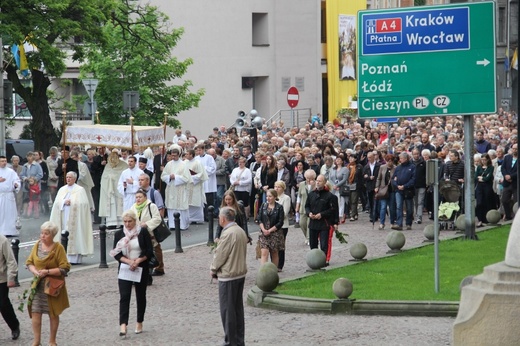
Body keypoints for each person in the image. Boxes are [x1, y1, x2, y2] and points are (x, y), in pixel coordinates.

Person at [26, 221, 71, 346]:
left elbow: (64, 268)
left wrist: (47, 271)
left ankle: (52, 340)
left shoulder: (58, 248)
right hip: (38, 285)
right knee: (35, 311)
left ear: (52, 235)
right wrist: (36, 272)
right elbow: (29, 263)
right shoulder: (37, 245)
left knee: (53, 313)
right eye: (42, 233)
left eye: (46, 234)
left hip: (52, 285)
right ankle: (37, 340)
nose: (42, 236)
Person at [110, 210, 154, 337]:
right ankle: (123, 325)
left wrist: (138, 260)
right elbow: (116, 253)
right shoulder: (119, 234)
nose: (127, 224)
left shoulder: (142, 232)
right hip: (125, 267)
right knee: (124, 296)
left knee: (140, 296)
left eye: (130, 221)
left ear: (135, 221)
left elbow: (149, 250)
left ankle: (139, 321)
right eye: (125, 222)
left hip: (141, 267)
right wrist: (128, 261)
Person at [210, 206, 248, 346]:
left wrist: (213, 269)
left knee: (228, 311)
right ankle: (238, 340)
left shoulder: (228, 234)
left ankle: (230, 341)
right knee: (237, 310)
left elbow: (221, 255)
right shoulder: (240, 231)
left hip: (229, 275)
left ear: (223, 218)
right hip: (239, 273)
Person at [49, 172, 94, 264]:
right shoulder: (62, 189)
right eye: (67, 177)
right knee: (63, 234)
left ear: (74, 179)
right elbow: (56, 203)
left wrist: (72, 202)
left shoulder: (80, 190)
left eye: (70, 177)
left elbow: (84, 204)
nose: (68, 179)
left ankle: (74, 259)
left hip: (75, 219)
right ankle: (62, 257)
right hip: (63, 215)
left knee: (75, 235)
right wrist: (64, 202)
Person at [305, 174, 339, 265]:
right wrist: (309, 213)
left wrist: (322, 214)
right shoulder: (311, 194)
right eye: (317, 180)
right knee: (313, 243)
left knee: (324, 243)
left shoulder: (330, 196)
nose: (318, 182)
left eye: (320, 181)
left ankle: (324, 260)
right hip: (313, 222)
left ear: (324, 182)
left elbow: (333, 210)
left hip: (324, 223)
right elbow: (307, 206)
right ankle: (314, 260)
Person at [130, 189, 162, 285]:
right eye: (136, 197)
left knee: (153, 251)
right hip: (138, 234)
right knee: (141, 253)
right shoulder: (133, 207)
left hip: (150, 233)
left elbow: (157, 218)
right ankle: (143, 275)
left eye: (140, 197)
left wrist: (147, 224)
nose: (138, 199)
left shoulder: (151, 206)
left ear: (145, 197)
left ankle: (158, 267)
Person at [137, 173, 166, 276]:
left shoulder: (154, 193)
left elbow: (160, 208)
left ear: (148, 181)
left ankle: (159, 267)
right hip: (141, 225)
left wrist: (159, 222)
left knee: (156, 247)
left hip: (152, 224)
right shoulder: (138, 193)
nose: (140, 182)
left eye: (142, 180)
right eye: (139, 180)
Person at [161, 148, 193, 231]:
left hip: (180, 189)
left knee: (180, 206)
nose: (173, 157)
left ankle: (182, 225)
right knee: (171, 206)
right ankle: (172, 225)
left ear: (178, 155)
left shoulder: (183, 164)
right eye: (172, 155)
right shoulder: (168, 164)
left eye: (175, 155)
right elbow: (163, 176)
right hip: (171, 188)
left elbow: (187, 178)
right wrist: (169, 177)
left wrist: (176, 177)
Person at [255, 189, 284, 267]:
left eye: (270, 196)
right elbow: (259, 218)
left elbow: (280, 222)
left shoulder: (279, 207)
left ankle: (273, 271)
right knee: (264, 252)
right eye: (267, 196)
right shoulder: (263, 206)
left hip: (275, 233)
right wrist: (263, 229)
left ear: (275, 197)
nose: (268, 198)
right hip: (264, 233)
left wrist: (270, 230)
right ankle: (263, 271)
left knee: (274, 253)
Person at [99, 149, 128, 227]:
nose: (112, 160)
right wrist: (109, 178)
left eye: (114, 157)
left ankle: (122, 222)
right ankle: (111, 223)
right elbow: (104, 178)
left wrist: (115, 178)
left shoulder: (124, 165)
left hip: (119, 191)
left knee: (120, 205)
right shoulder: (108, 166)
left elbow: (125, 176)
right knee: (111, 206)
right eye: (111, 158)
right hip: (110, 190)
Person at [0, 233, 20, 341]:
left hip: (1, 279)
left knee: (3, 305)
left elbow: (11, 260)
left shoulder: (2, 240)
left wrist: (11, 278)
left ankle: (14, 326)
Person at [392, 152, 416, 231]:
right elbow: (393, 178)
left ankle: (408, 223)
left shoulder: (412, 167)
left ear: (405, 159)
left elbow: (413, 179)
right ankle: (399, 223)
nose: (400, 160)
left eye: (401, 158)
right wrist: (396, 185)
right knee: (399, 207)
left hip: (408, 190)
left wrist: (405, 186)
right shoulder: (398, 168)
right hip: (398, 190)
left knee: (409, 208)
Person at [0, 156, 21, 236]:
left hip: (9, 195)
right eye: (2, 161)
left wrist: (16, 185)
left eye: (5, 161)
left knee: (9, 213)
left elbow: (16, 180)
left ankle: (9, 230)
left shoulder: (11, 172)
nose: (4, 163)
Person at [375, 154, 397, 230]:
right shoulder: (382, 167)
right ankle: (382, 223)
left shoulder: (395, 168)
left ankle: (392, 222)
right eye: (387, 161)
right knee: (383, 207)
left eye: (390, 161)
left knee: (392, 207)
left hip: (392, 190)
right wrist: (377, 187)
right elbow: (379, 178)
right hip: (383, 190)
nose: (389, 163)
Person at [295, 169, 316, 244]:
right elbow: (299, 196)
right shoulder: (302, 184)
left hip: (313, 208)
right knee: (302, 223)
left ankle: (309, 238)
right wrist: (297, 206)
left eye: (311, 178)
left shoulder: (316, 184)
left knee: (309, 224)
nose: (309, 180)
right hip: (303, 207)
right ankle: (307, 237)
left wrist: (313, 186)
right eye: (307, 178)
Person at [274, 181, 291, 272]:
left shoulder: (286, 198)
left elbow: (284, 212)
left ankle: (280, 265)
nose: (276, 188)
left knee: (280, 245)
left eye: (279, 187)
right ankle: (274, 263)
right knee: (273, 245)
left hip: (282, 225)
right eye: (275, 187)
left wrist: (275, 217)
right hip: (273, 225)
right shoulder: (273, 197)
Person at [475, 154, 495, 227]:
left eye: (485, 160)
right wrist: (482, 178)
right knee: (479, 202)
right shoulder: (479, 167)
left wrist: (482, 178)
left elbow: (488, 178)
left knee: (487, 201)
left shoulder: (491, 168)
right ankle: (480, 219)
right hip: (480, 187)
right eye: (482, 160)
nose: (483, 161)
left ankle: (486, 219)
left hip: (487, 187)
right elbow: (475, 177)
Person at [329, 156, 349, 224]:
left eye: (339, 159)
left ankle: (340, 216)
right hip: (334, 188)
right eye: (336, 159)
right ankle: (335, 216)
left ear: (342, 161)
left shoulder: (345, 169)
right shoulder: (332, 169)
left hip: (341, 188)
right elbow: (330, 178)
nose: (337, 161)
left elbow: (344, 179)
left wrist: (337, 185)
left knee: (341, 202)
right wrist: (334, 185)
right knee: (334, 202)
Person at [500, 143, 518, 221]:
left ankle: (517, 217)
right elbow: (503, 168)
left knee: (517, 201)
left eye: (516, 149)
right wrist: (506, 176)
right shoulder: (507, 158)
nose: (514, 150)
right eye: (513, 148)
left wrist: (511, 176)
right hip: (507, 183)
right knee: (504, 200)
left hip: (516, 183)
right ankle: (508, 215)